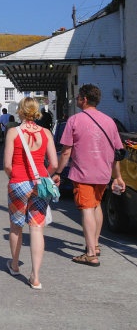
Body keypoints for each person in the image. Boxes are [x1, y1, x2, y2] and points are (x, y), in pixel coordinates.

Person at [55, 84, 126, 266]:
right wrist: (117, 176)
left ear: (84, 99)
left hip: (83, 173)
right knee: (96, 207)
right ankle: (95, 244)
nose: (77, 99)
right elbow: (117, 152)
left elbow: (66, 152)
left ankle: (91, 254)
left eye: (78, 97)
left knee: (87, 209)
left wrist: (58, 172)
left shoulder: (75, 120)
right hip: (103, 173)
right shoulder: (109, 121)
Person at [4, 97, 58, 289]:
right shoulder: (46, 133)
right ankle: (35, 276)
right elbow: (54, 164)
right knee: (36, 228)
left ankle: (15, 264)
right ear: (37, 111)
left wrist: (16, 178)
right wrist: (44, 176)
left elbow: (7, 165)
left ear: (20, 111)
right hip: (40, 183)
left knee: (16, 226)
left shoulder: (13, 132)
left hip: (18, 183)